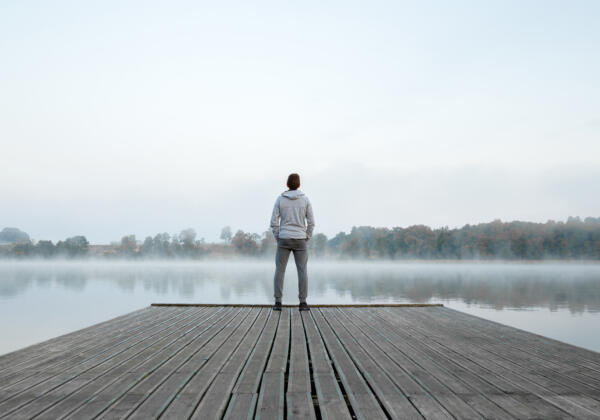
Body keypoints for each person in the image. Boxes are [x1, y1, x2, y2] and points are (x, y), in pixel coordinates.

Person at [270, 173, 315, 311]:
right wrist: (306, 236)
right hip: (300, 239)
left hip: (284, 238)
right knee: (302, 271)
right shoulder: (305, 200)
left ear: (287, 184)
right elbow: (311, 222)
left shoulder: (280, 199)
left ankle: (278, 303)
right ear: (299, 184)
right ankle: (303, 303)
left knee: (280, 270)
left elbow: (273, 222)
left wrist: (278, 236)